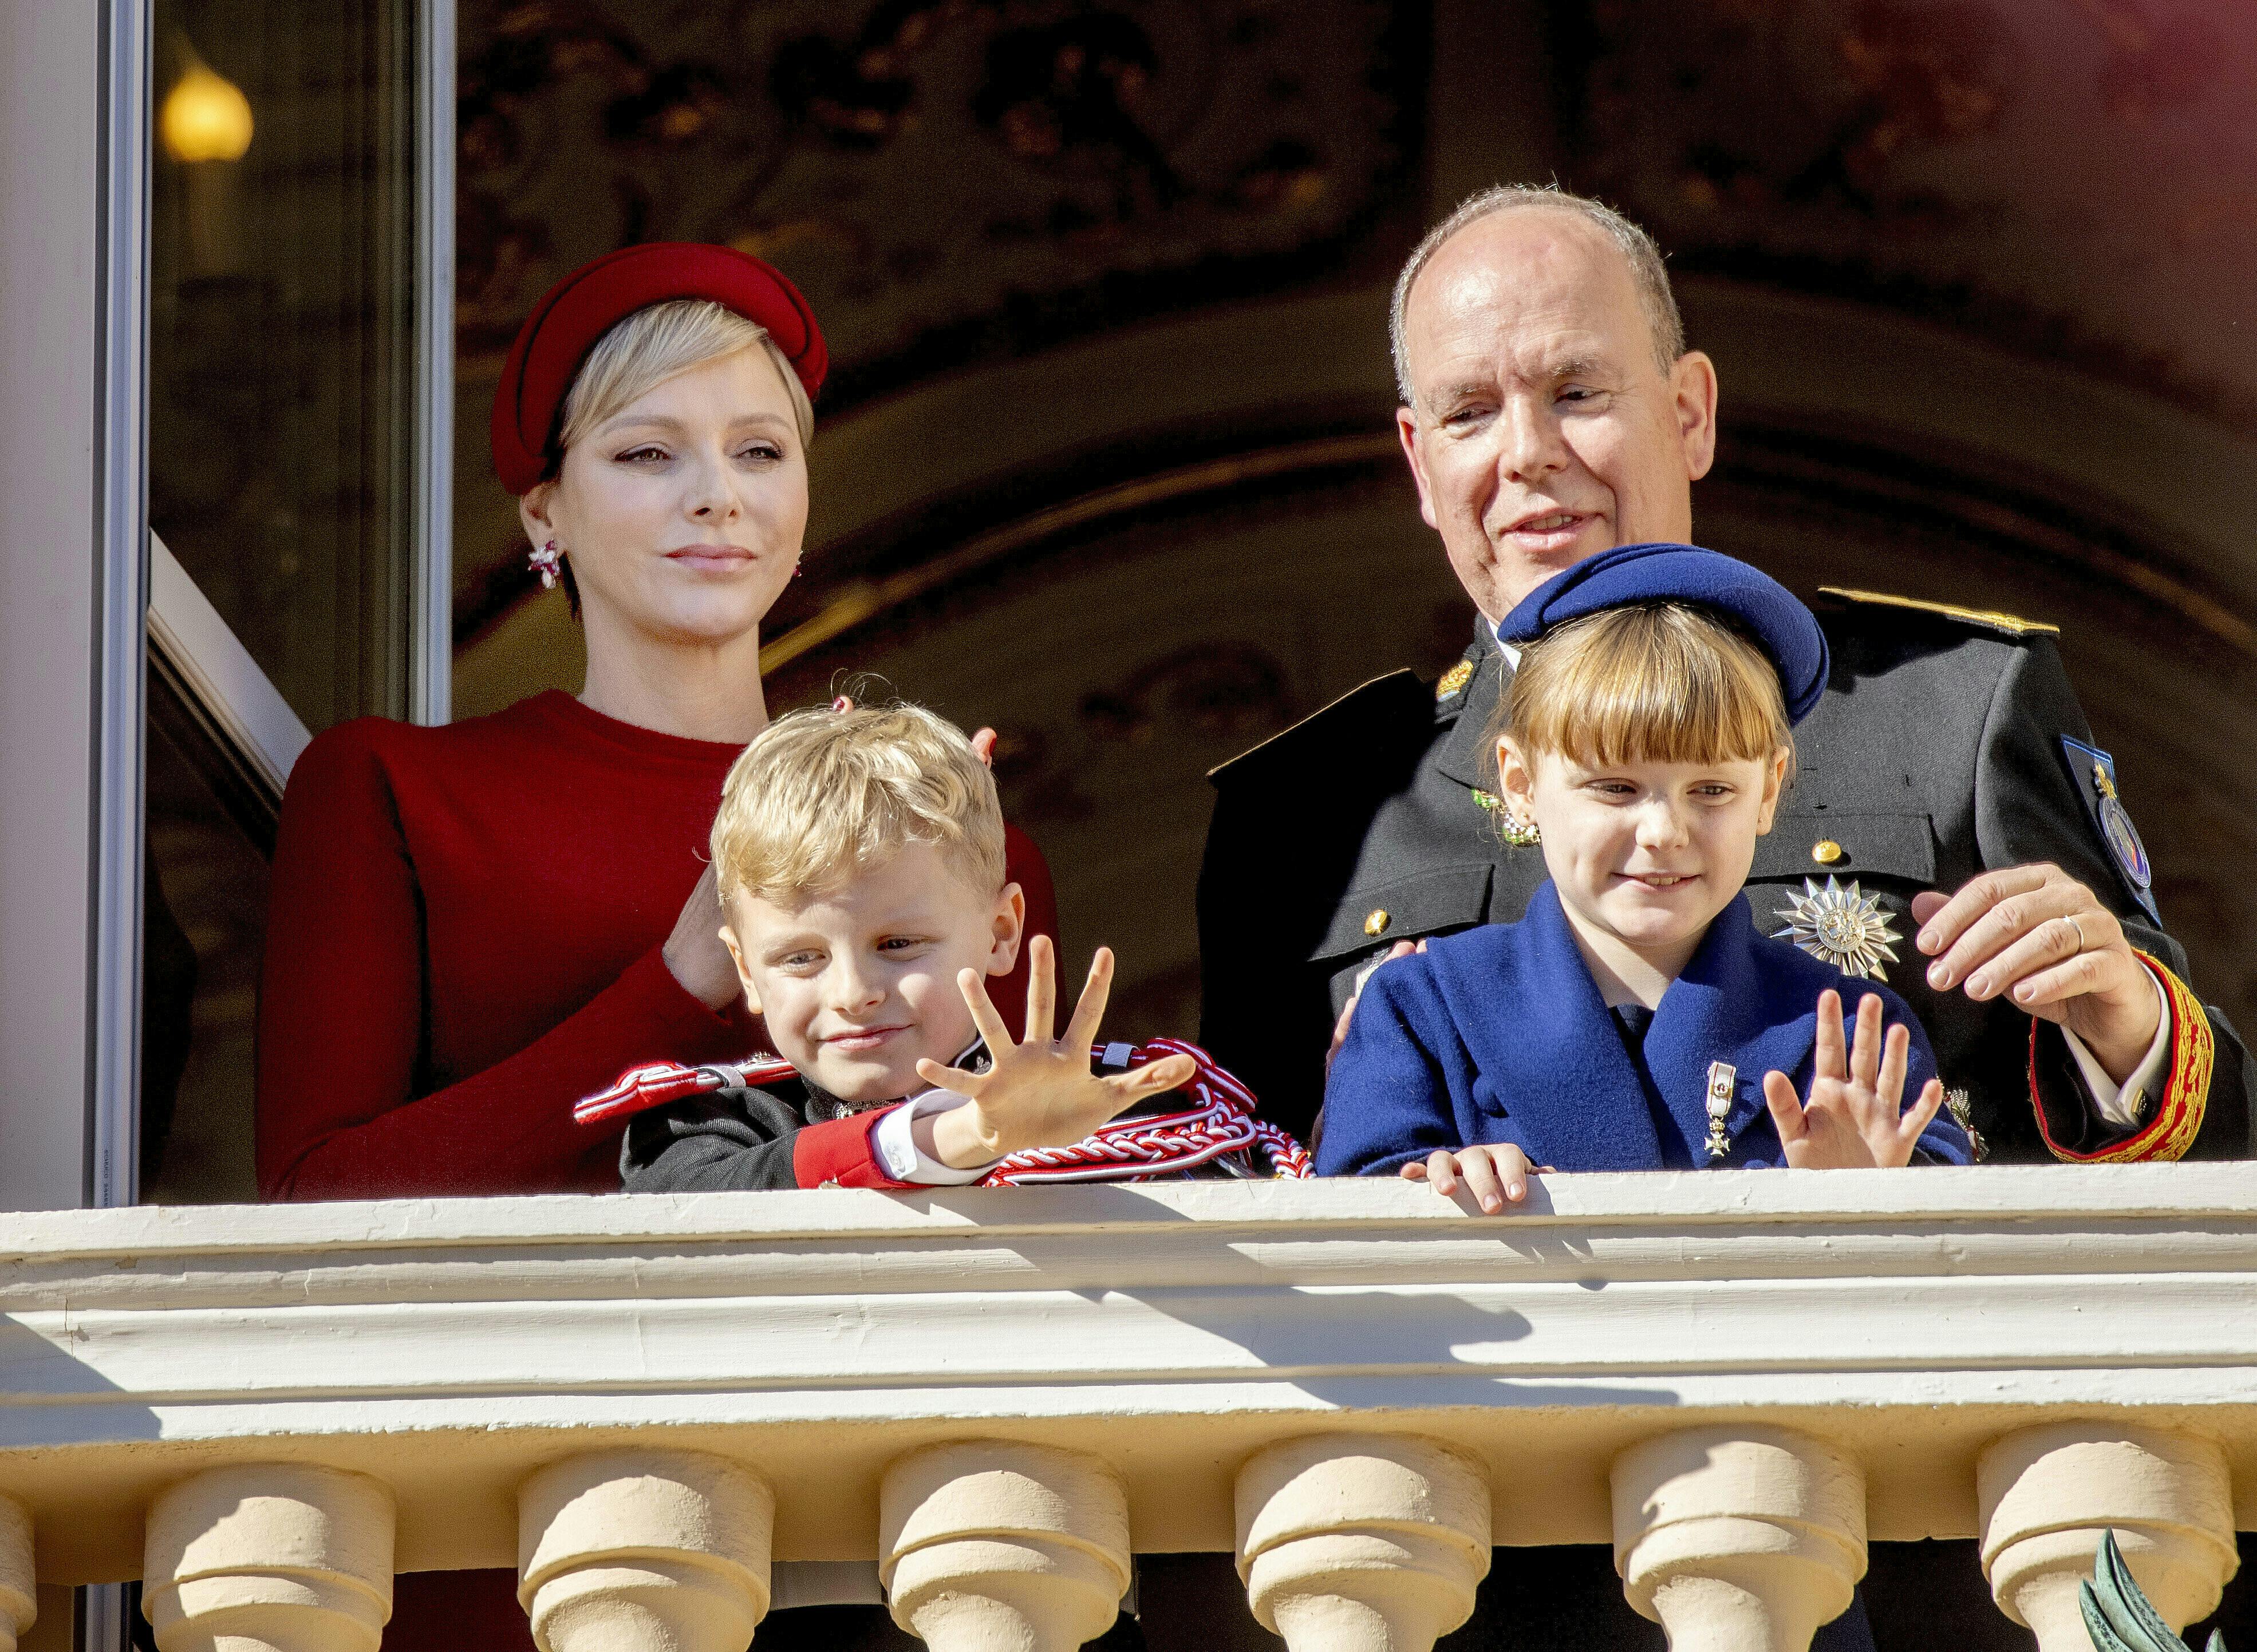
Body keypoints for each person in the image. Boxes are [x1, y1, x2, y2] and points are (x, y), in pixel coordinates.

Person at [253, 244, 1058, 1649]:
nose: (717, 495)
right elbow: (319, 1205)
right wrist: (676, 986)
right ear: (543, 509)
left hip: (886, 1549)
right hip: (517, 1538)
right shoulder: (392, 787)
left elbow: (1037, 1208)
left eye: (759, 449)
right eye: (647, 452)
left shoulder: (953, 827)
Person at [1199, 184, 2251, 1167]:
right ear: (1419, 463)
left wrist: (2125, 1022)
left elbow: (2222, 1160)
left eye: (1576, 391)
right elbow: (1233, 1194)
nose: (1525, 453)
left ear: (1690, 412)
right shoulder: (1304, 811)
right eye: (1468, 413)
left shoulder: (1948, 712)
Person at [1319, 543, 1972, 1212]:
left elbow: (1965, 1253)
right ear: (1521, 784)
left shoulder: (1846, 1031)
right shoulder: (1424, 1009)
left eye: (1713, 788)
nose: (1664, 830)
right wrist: (1443, 1183)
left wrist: (1872, 1194)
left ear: (1770, 789)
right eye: (1615, 786)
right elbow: (1342, 1233)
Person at [605, 701, 1254, 1193]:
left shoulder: (1134, 1110)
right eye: (801, 957)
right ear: (745, 969)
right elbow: (696, 1212)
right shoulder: (702, 1131)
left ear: (1002, 933)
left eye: (897, 942)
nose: (854, 992)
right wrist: (964, 1136)